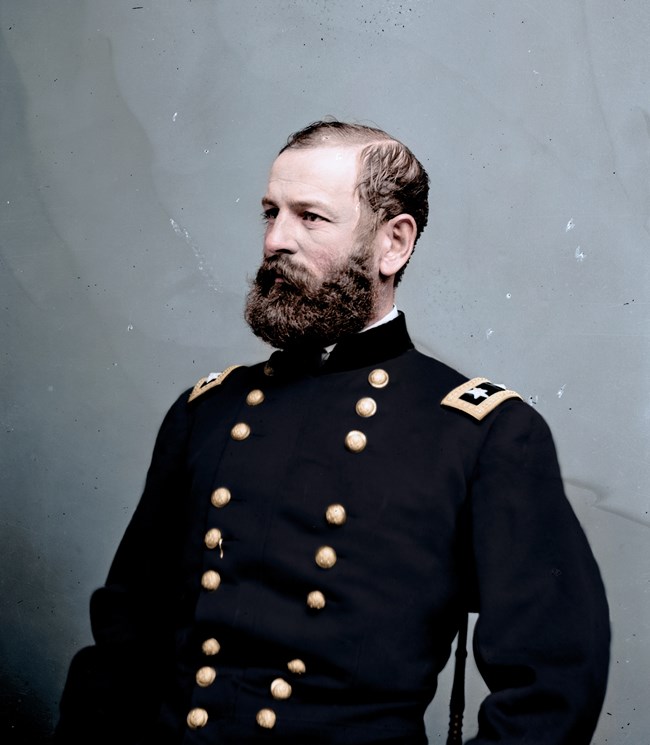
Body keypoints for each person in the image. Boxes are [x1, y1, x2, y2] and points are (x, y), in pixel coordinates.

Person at [55, 120, 610, 744]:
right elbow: (124, 645)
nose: (275, 241)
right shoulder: (205, 410)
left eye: (309, 217)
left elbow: (552, 686)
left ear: (393, 244)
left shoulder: (483, 433)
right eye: (271, 213)